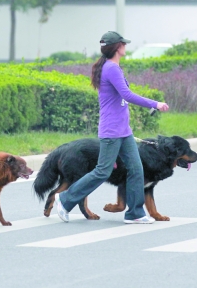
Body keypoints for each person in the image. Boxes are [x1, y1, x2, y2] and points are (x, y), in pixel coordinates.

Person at [54, 31, 169, 224]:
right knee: (103, 171)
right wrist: (155, 104)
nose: (125, 46)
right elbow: (127, 95)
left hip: (123, 131)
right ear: (117, 47)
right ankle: (65, 198)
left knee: (136, 169)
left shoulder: (112, 67)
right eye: (123, 44)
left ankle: (135, 213)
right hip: (112, 131)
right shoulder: (111, 69)